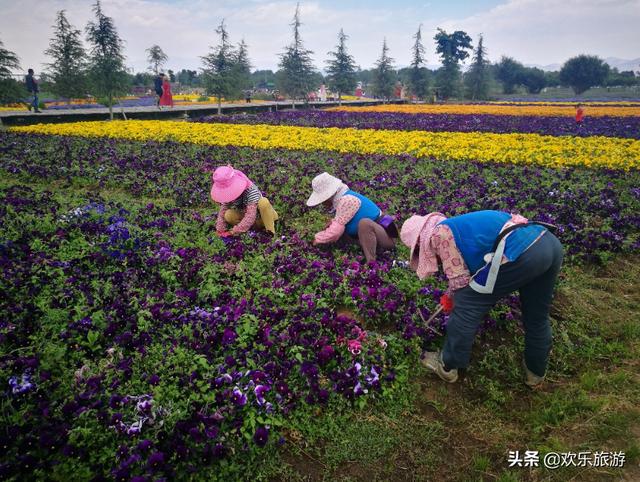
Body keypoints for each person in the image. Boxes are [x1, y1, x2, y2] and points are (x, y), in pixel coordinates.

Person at [400, 210, 563, 387]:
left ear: (419, 243)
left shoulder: (439, 234)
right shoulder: (458, 226)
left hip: (523, 252)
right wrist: (451, 295)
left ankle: (447, 365)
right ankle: (535, 372)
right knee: (536, 314)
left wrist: (453, 298)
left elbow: (461, 284)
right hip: (548, 243)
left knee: (467, 305)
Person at [307, 172, 398, 263]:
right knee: (339, 228)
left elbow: (336, 232)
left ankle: (371, 262)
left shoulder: (347, 200)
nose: (322, 203)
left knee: (364, 224)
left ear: (329, 196)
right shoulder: (342, 198)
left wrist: (318, 239)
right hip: (372, 237)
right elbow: (341, 221)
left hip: (387, 238)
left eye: (322, 200)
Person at [211, 165, 279, 236]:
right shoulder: (229, 194)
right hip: (251, 221)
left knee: (263, 202)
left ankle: (270, 232)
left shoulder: (251, 191)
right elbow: (223, 209)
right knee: (228, 215)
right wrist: (220, 230)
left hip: (263, 218)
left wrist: (233, 232)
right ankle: (252, 229)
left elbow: (250, 215)